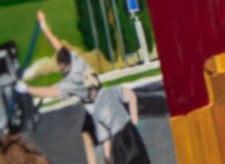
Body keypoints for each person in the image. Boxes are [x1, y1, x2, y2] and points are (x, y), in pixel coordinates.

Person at [21, 11, 146, 164]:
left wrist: (27, 89)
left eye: (62, 69)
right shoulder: (75, 58)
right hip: (103, 99)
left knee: (92, 137)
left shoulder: (71, 82)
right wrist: (43, 25)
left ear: (66, 65)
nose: (62, 71)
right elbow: (58, 46)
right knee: (87, 137)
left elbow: (50, 91)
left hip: (95, 108)